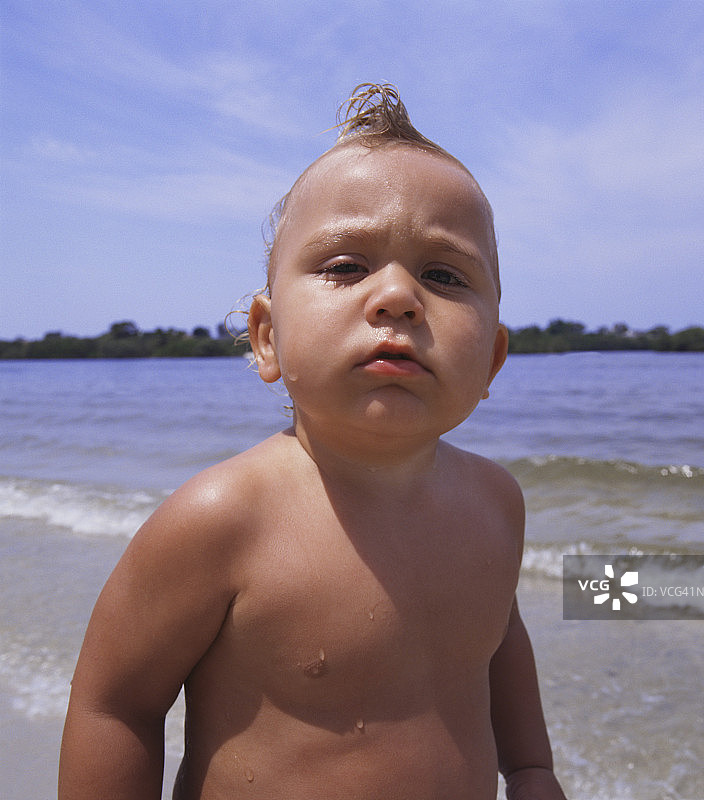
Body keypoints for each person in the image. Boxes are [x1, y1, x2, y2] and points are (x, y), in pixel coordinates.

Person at [59, 83, 567, 800]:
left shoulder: (497, 503)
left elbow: (497, 639)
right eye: (345, 267)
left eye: (444, 275)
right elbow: (115, 707)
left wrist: (532, 770)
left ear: (489, 362)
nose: (395, 296)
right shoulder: (222, 518)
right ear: (267, 338)